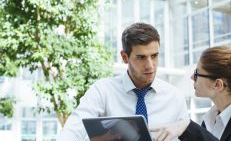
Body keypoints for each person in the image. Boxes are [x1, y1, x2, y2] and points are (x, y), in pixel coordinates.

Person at [56, 22, 189, 141]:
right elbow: (72, 130)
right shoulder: (102, 91)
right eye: (141, 57)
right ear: (125, 57)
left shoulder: (175, 97)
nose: (150, 65)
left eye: (154, 56)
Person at [151, 45, 231, 141]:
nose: (192, 77)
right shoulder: (210, 120)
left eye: (197, 73)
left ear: (217, 85)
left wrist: (187, 127)